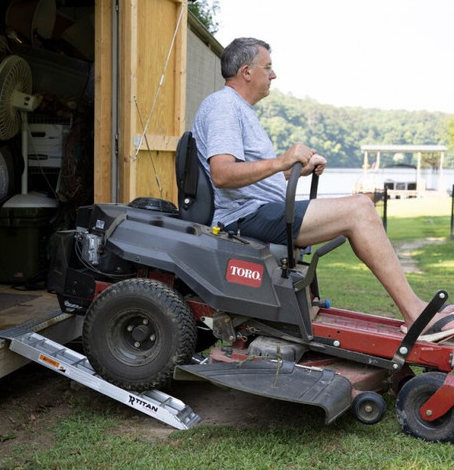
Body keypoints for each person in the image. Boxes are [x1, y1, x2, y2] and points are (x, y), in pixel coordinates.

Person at [192, 37, 454, 338]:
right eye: (269, 68)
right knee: (360, 209)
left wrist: (295, 171)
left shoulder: (238, 109)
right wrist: (281, 161)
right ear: (247, 72)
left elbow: (252, 178)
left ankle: (412, 308)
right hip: (243, 218)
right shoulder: (224, 107)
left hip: (257, 210)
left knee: (358, 209)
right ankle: (416, 313)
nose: (274, 75)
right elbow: (223, 174)